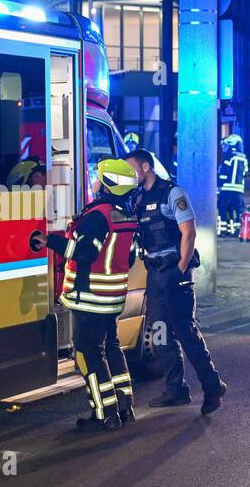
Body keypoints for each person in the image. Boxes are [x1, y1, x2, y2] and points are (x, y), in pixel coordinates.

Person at [126, 149, 227, 415]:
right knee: (159, 332)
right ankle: (176, 390)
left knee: (185, 332)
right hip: (155, 274)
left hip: (173, 273)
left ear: (146, 167)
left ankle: (212, 385)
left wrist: (181, 267)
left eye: (131, 169)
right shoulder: (139, 198)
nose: (129, 175)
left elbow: (189, 231)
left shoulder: (172, 193)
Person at [44, 158, 139, 431]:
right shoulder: (126, 213)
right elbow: (129, 257)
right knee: (111, 348)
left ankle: (104, 414)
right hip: (112, 297)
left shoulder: (98, 217)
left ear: (108, 185)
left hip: (90, 298)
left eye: (98, 178)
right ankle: (124, 406)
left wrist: (51, 241)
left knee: (87, 353)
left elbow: (85, 253)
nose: (94, 183)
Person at [217, 134, 249, 236]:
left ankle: (223, 231)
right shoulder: (243, 157)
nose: (224, 148)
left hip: (226, 188)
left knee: (223, 209)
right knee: (237, 211)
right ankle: (237, 231)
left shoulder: (228, 156)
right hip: (239, 190)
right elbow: (245, 173)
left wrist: (218, 185)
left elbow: (224, 173)